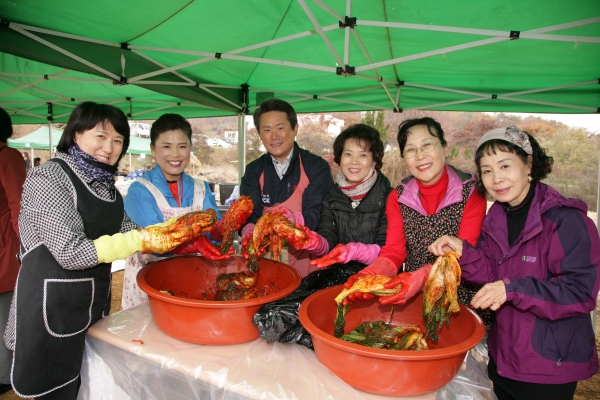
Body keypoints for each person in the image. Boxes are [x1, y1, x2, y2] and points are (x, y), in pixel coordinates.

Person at [5, 102, 214, 400]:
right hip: (46, 312)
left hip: (91, 311)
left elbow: (136, 234)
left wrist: (185, 241)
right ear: (76, 135)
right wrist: (144, 240)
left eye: (118, 141)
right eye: (100, 136)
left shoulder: (107, 188)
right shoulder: (49, 178)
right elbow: (71, 252)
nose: (109, 147)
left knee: (88, 386)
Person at [428, 126, 600, 400]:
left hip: (548, 365)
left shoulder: (566, 221)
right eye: (486, 170)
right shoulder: (496, 216)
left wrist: (512, 289)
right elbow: (492, 273)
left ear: (528, 164)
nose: (496, 178)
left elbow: (579, 293)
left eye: (505, 165)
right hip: (505, 358)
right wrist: (464, 252)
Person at [254, 124, 392, 347]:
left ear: (375, 160)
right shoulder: (332, 197)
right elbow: (326, 244)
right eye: (348, 154)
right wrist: (313, 241)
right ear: (339, 158)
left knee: (329, 327)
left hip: (374, 281)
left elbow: (388, 253)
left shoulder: (390, 197)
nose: (354, 161)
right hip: (337, 274)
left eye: (363, 155)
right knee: (275, 315)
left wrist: (352, 251)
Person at [343, 117, 490, 326]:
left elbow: (462, 255)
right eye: (410, 150)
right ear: (403, 157)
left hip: (459, 299)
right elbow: (394, 251)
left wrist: (421, 277)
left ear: (444, 146)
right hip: (412, 297)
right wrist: (370, 274)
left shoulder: (471, 192)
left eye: (427, 145)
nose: (420, 156)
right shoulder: (398, 197)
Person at [122, 113, 226, 310]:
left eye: (182, 146)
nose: (175, 154)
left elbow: (214, 233)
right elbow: (157, 240)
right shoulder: (140, 190)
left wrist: (222, 229)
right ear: (153, 149)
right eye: (166, 146)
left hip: (193, 281)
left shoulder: (201, 188)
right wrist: (197, 241)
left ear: (190, 149)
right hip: (149, 283)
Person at [240, 98, 334, 277]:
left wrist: (291, 221)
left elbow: (319, 215)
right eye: (267, 130)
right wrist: (249, 232)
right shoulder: (253, 170)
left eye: (280, 128)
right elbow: (249, 214)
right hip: (266, 260)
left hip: (307, 262)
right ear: (260, 134)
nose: (274, 136)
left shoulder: (316, 166)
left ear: (295, 129)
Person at [0, 108, 26, 394]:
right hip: (6, 245)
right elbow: (18, 203)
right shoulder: (7, 157)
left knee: (5, 311)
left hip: (6, 245)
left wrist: (25, 244)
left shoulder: (6, 157)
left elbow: (18, 205)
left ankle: (6, 375)